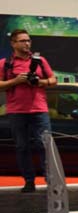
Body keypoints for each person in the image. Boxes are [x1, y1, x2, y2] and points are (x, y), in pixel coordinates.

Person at [0, 29, 58, 192]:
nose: (27, 43)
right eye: (23, 41)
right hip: (16, 111)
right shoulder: (5, 63)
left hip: (39, 110)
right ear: (13, 43)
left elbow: (53, 80)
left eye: (28, 40)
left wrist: (40, 82)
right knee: (22, 147)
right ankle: (29, 181)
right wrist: (16, 81)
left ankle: (50, 181)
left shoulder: (40, 61)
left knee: (45, 146)